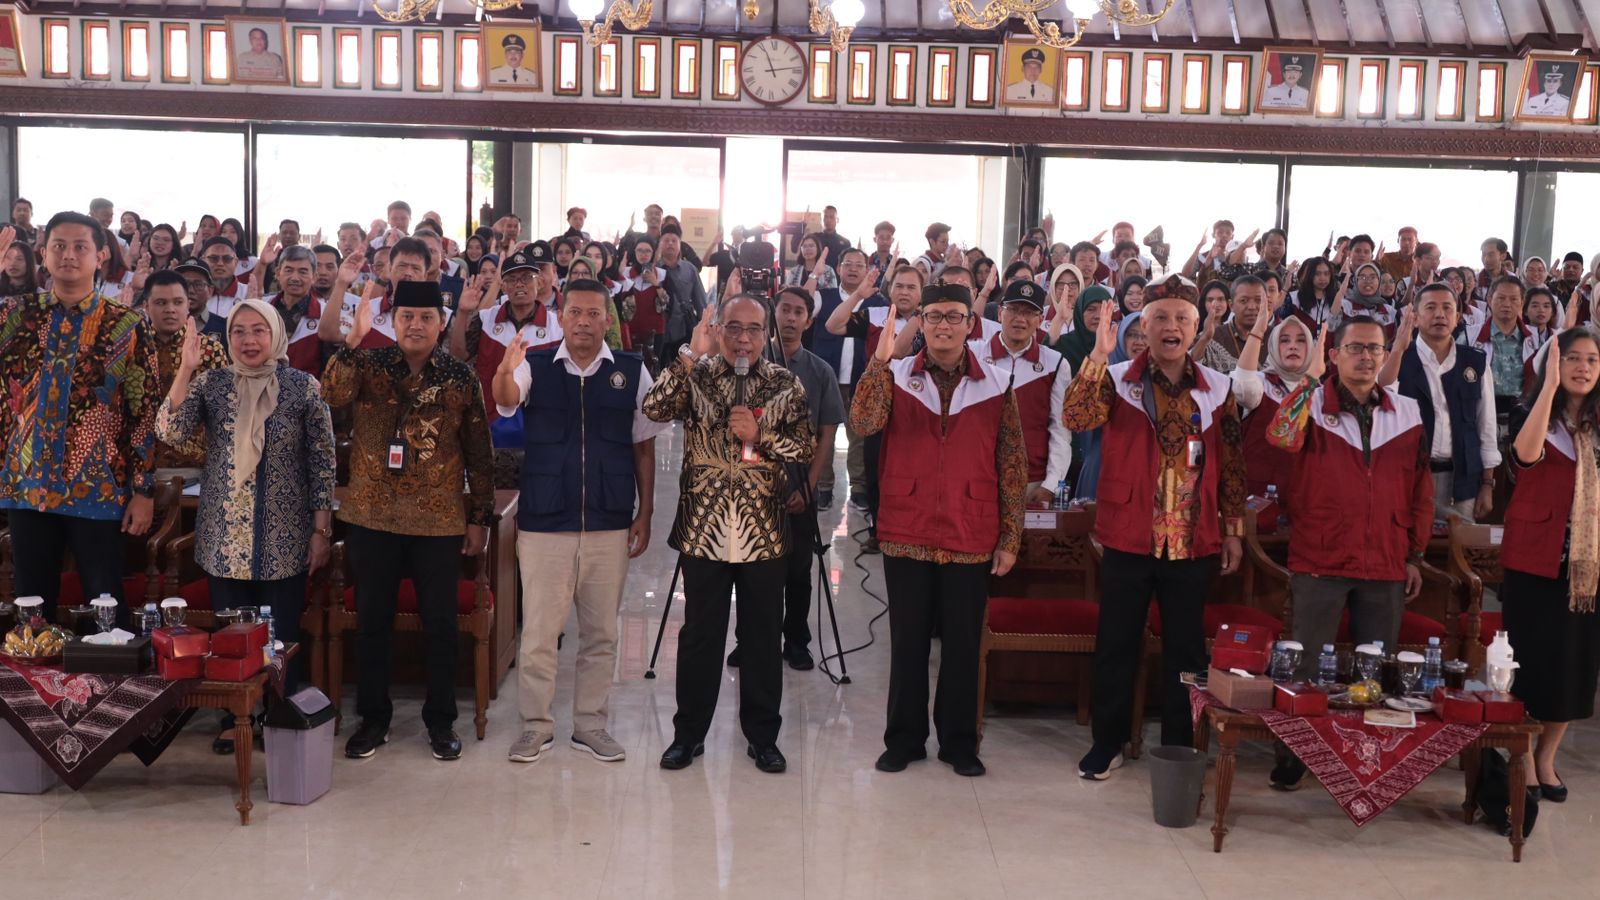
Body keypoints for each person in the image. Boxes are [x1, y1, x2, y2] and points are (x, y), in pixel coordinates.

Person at [1063, 290, 1246, 779]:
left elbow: (1230, 464)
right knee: (1117, 644)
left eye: (1181, 319)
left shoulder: (1216, 387)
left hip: (1193, 537)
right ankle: (1109, 742)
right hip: (1129, 534)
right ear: (1144, 328)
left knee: (1186, 652)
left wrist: (1233, 528)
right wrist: (1098, 355)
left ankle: (1180, 747)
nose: (1171, 326)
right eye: (1160, 317)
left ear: (1194, 328)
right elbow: (1076, 418)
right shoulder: (1119, 380)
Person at [850, 282, 1025, 777]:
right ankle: (904, 739)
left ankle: (958, 741)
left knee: (963, 643)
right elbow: (862, 422)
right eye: (933, 316)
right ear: (920, 323)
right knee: (907, 641)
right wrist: (880, 363)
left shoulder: (997, 381)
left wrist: (1010, 536)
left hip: (971, 529)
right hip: (906, 525)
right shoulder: (898, 375)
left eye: (954, 316)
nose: (943, 325)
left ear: (971, 324)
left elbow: (1012, 462)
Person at [489, 278, 666, 765]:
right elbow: (506, 399)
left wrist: (644, 513)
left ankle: (590, 724)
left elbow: (644, 446)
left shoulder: (631, 372)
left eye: (594, 313)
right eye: (576, 313)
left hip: (609, 520)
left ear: (607, 320)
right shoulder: (535, 364)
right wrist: (505, 369)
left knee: (601, 633)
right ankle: (535, 726)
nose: (584, 321)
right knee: (542, 632)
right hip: (546, 521)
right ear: (561, 318)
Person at [321, 280, 495, 763]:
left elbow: (480, 456)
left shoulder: (460, 378)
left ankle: (441, 722)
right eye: (405, 317)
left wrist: (478, 517)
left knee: (440, 626)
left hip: (437, 521)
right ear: (391, 322)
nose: (415, 325)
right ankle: (373, 720)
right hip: (371, 516)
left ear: (440, 324)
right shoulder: (369, 365)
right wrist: (352, 342)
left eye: (425, 317)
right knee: (372, 624)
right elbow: (331, 395)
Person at [642, 296, 815, 774]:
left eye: (753, 330)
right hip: (705, 529)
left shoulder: (784, 384)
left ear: (767, 334)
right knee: (700, 636)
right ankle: (688, 735)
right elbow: (654, 408)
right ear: (718, 330)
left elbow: (804, 445)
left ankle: (762, 737)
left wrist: (761, 437)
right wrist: (687, 356)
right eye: (733, 328)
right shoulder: (697, 373)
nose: (743, 339)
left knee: (762, 637)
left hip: (763, 532)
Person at [1265, 316, 1432, 789]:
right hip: (1320, 554)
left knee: (1374, 671)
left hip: (1386, 558)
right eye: (1355, 348)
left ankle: (1365, 756)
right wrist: (1310, 381)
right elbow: (1279, 437)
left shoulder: (1408, 411)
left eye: (1374, 350)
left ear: (1384, 356)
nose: (1365, 357)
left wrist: (1414, 554)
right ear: (1334, 355)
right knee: (1302, 666)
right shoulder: (1310, 403)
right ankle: (1294, 755)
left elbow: (1420, 490)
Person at [155, 298, 335, 704]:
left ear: (275, 335)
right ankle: (235, 717)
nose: (249, 340)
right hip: (225, 537)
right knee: (232, 637)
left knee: (280, 634)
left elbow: (323, 465)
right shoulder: (212, 383)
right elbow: (170, 432)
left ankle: (278, 711)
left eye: (259, 330)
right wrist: (186, 368)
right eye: (239, 331)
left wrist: (321, 531)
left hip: (284, 536)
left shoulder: (302, 387)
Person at [0, 214, 159, 625]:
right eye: (58, 246)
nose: (68, 255)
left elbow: (143, 410)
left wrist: (143, 489)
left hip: (99, 485)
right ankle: (35, 690)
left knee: (107, 605)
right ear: (43, 253)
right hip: (27, 482)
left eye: (80, 247)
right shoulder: (13, 316)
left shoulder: (126, 323)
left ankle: (112, 689)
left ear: (101, 255)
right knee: (31, 608)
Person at [1500, 328, 1600, 801]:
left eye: (1592, 360)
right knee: (1531, 663)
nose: (1582, 367)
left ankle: (1547, 758)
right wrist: (1548, 392)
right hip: (1535, 562)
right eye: (1572, 359)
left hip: (1586, 569)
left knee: (1571, 667)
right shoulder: (1530, 413)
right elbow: (1525, 454)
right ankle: (1517, 753)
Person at [725, 286, 844, 671]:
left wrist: (810, 484)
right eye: (785, 311)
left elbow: (827, 431)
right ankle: (750, 640)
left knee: (797, 571)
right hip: (752, 485)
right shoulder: (744, 362)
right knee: (750, 569)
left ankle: (796, 641)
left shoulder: (819, 371)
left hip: (797, 483)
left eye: (799, 313)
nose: (791, 318)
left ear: (809, 322)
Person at [1380, 284, 1500, 522]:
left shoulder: (1475, 362)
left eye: (1447, 308)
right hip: (1409, 477)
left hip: (1462, 479)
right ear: (1415, 316)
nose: (1439, 315)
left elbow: (1485, 425)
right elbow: (1381, 398)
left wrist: (1487, 483)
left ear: (1457, 317)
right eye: (1431, 307)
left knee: (1457, 551)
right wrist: (1397, 350)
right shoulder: (1399, 360)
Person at [974, 279, 1072, 503]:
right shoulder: (973, 355)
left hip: (1033, 482)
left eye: (1029, 312)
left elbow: (1060, 429)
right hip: (980, 478)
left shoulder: (1055, 363)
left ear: (1039, 320)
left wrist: (1051, 484)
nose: (1020, 318)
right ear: (1000, 313)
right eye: (1013, 310)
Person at [145, 269, 228, 483]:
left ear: (187, 305)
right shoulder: (135, 347)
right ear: (146, 306)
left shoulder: (209, 349)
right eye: (161, 303)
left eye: (178, 302)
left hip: (196, 466)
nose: (170, 310)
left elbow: (222, 413)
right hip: (143, 464)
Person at [1231, 312, 1314, 510]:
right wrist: (1258, 332)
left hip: (1305, 500)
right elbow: (1242, 389)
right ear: (1273, 347)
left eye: (1301, 341)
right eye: (1284, 340)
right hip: (1257, 500)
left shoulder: (1319, 393)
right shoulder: (1261, 383)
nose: (1293, 345)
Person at [1470, 275, 1534, 421]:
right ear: (1489, 299)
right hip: (1481, 415)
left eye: (1513, 299)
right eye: (1501, 298)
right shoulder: (1470, 336)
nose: (1507, 304)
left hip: (1522, 417)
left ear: (1522, 302)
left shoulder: (1535, 340)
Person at [1197, 274, 1268, 374]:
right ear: (1231, 305)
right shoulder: (1214, 336)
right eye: (1244, 301)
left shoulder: (1277, 336)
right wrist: (1204, 339)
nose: (1252, 306)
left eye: (1258, 300)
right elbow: (1188, 366)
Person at [656, 228, 706, 363]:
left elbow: (701, 301)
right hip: (659, 331)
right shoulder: (652, 269)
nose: (670, 244)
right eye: (666, 241)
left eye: (674, 241)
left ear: (680, 244)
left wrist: (706, 327)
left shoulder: (690, 269)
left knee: (686, 371)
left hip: (684, 330)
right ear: (660, 244)